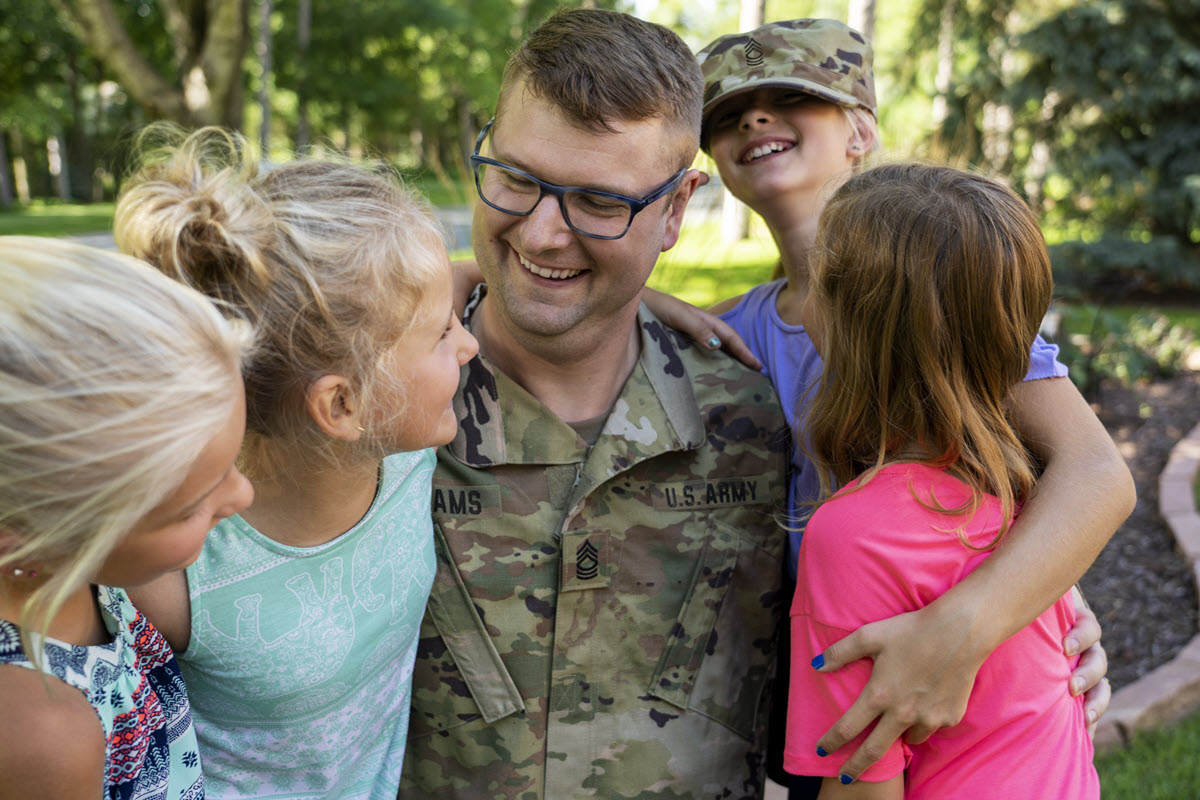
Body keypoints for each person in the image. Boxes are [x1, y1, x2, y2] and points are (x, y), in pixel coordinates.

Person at [643, 17, 1131, 793]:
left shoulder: (947, 296)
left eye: (789, 98)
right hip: (812, 664)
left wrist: (971, 630)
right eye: (728, 117)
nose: (755, 121)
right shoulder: (730, 331)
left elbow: (1098, 473)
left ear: (861, 130)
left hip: (932, 673)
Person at [400, 8, 789, 800]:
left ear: (676, 210)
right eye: (516, 178)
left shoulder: (755, 420)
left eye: (600, 203)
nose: (544, 235)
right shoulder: (382, 407)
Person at [115, 126, 479, 799]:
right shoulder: (170, 564)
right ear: (341, 405)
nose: (470, 344)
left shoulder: (404, 449)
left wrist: (643, 306)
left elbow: (445, 291)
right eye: (444, 332)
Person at [783, 162, 1101, 798]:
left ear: (852, 330)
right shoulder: (1033, 496)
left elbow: (862, 783)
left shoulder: (853, 537)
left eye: (817, 281)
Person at [0, 236, 253, 799]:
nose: (244, 495)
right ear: (25, 547)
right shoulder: (39, 734)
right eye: (193, 503)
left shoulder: (75, 570)